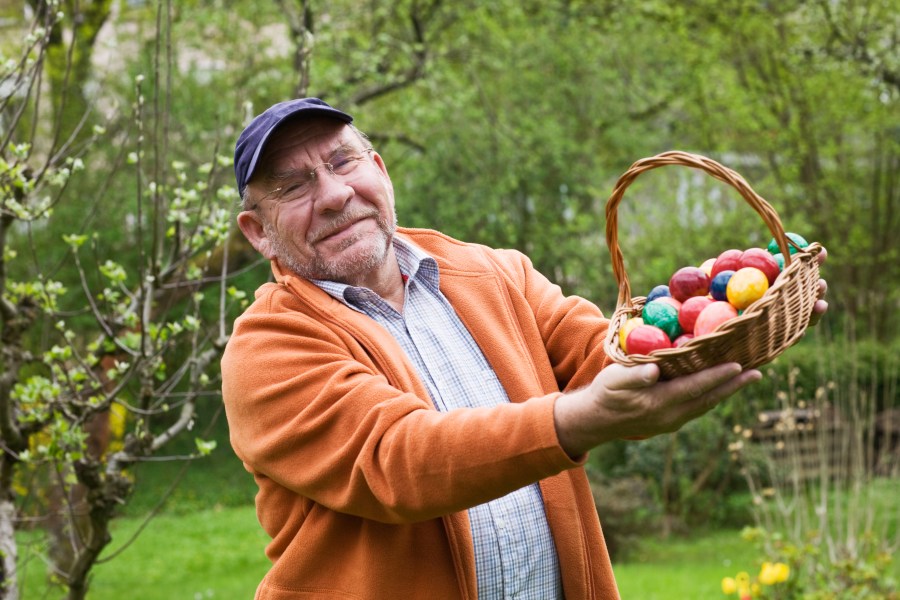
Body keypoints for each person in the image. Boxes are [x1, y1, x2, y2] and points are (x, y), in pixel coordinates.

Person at [221, 98, 828, 600]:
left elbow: (606, 355)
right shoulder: (267, 349)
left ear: (379, 170)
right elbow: (398, 461)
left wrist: (707, 335)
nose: (332, 195)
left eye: (342, 162)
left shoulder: (491, 272)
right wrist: (575, 422)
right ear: (258, 233)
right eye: (294, 186)